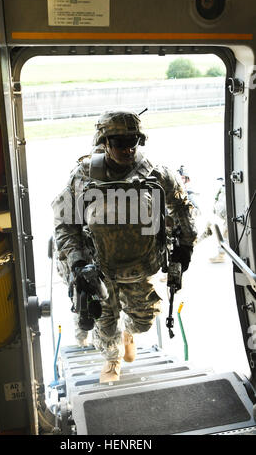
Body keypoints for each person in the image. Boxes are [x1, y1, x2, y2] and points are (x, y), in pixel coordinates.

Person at [52, 111, 197, 383]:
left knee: (143, 321)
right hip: (99, 271)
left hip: (141, 267)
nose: (128, 149)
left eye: (134, 142)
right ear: (104, 143)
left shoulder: (155, 174)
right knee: (105, 328)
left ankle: (128, 332)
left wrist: (185, 245)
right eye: (119, 143)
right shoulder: (83, 177)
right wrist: (77, 262)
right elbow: (65, 224)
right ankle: (112, 358)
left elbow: (182, 206)